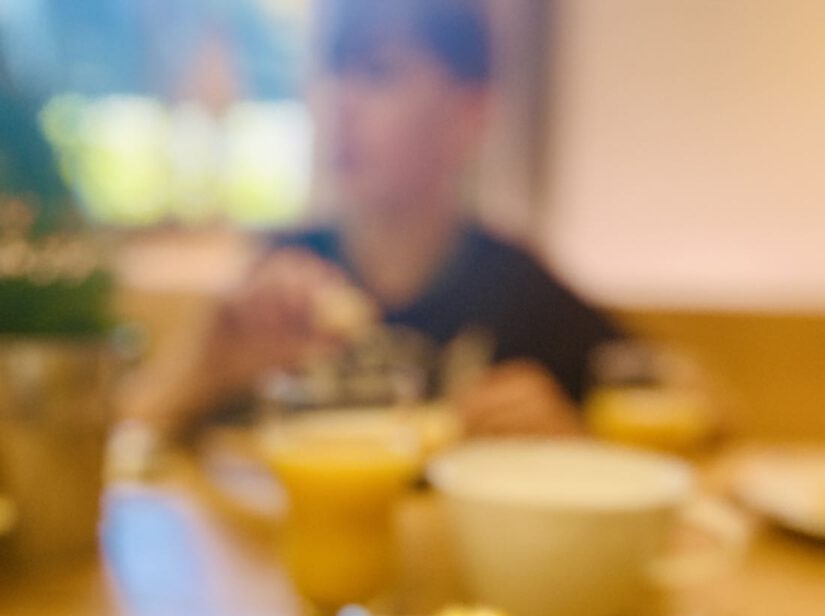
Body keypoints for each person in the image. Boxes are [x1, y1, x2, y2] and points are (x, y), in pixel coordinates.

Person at [123, 0, 620, 437]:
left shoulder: (520, 288)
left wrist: (568, 444)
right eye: (333, 72)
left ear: (469, 112)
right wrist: (205, 370)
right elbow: (128, 432)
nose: (342, 103)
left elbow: (667, 400)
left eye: (379, 73)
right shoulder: (281, 281)